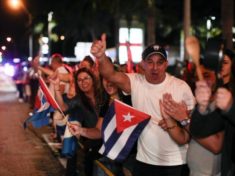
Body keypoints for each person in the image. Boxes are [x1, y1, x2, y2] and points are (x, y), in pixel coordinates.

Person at [91, 34, 195, 176]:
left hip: (177, 162)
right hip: (144, 162)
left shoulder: (181, 87)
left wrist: (174, 122)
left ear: (166, 64)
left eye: (159, 62)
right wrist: (101, 57)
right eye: (150, 62)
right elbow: (110, 75)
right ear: (143, 64)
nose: (155, 67)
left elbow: (193, 124)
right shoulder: (135, 82)